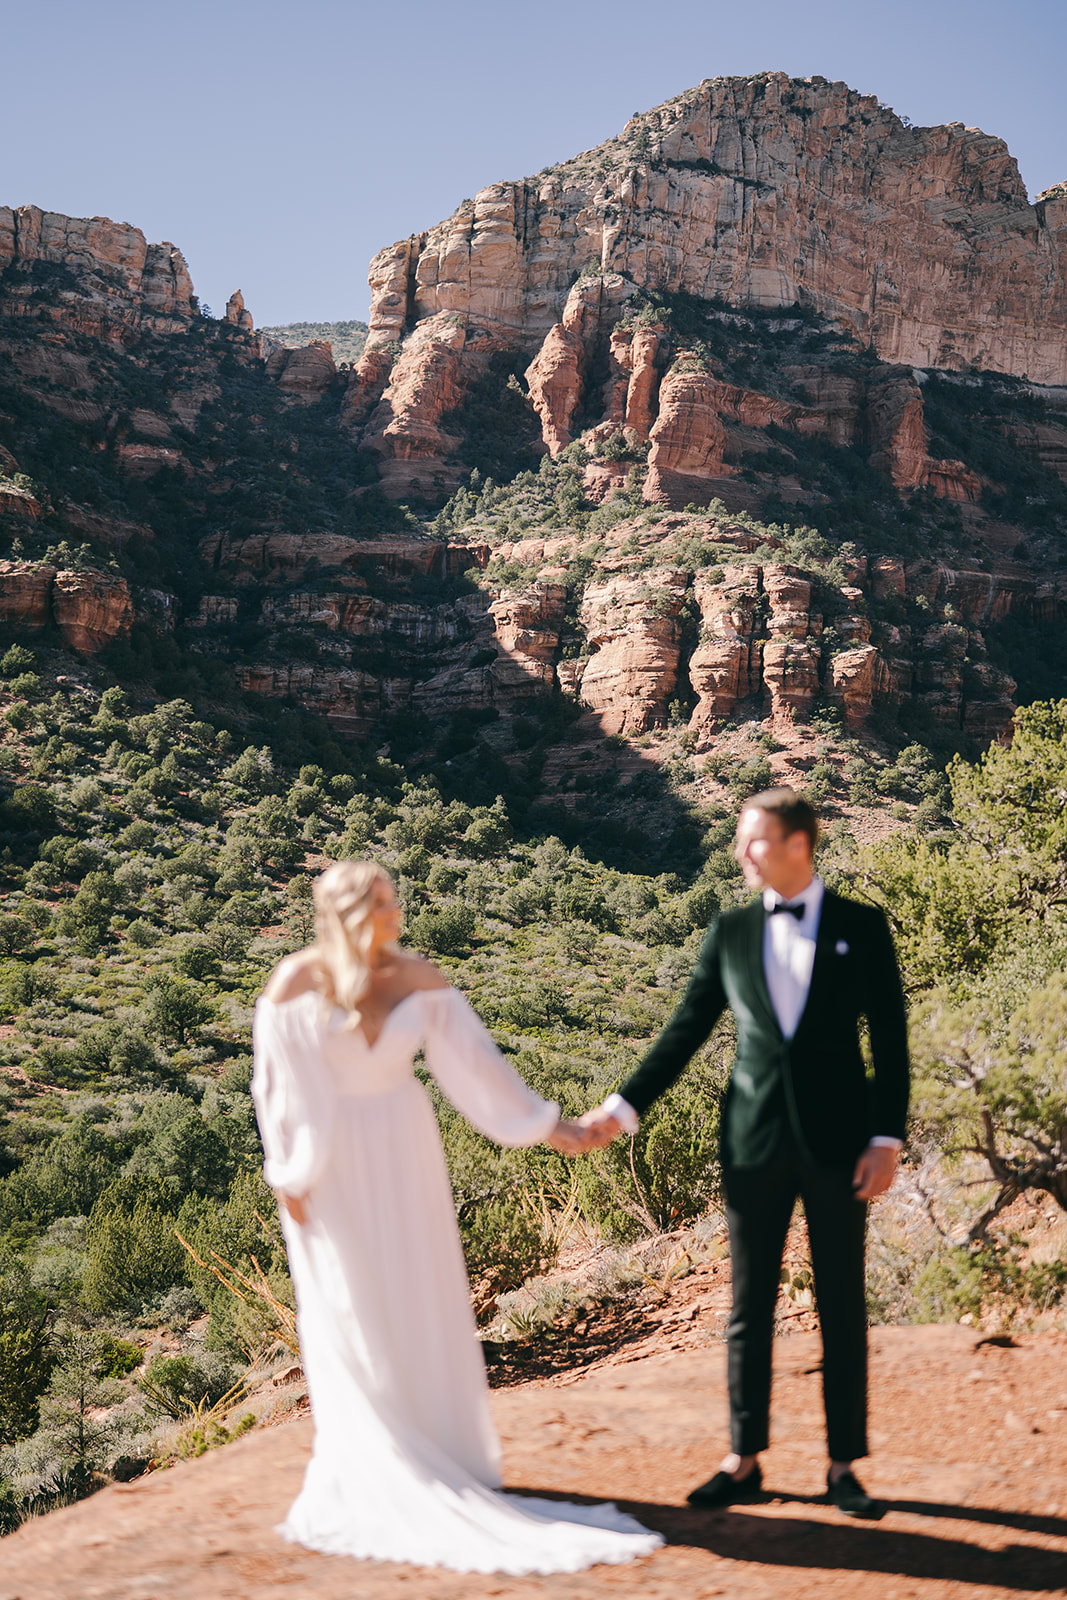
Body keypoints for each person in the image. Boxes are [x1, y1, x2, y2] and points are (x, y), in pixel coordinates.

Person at [251, 859, 662, 1575]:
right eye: (381, 902)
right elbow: (274, 1086)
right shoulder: (294, 982)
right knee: (349, 1304)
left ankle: (439, 1453)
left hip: (404, 1147)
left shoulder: (420, 977)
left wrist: (552, 1127)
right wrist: (289, 1174)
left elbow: (478, 1071)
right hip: (328, 1166)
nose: (395, 912)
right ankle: (372, 1461)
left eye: (392, 899)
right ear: (348, 912)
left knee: (415, 1292)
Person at [579, 788, 909, 1519]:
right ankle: (743, 1457)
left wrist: (886, 1140)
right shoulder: (728, 932)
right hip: (752, 1145)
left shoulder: (862, 926)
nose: (739, 854)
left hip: (840, 1146)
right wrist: (619, 1110)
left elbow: (889, 1041)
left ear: (798, 844)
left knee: (840, 1302)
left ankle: (843, 1465)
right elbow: (683, 1031)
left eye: (751, 841)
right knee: (747, 1305)